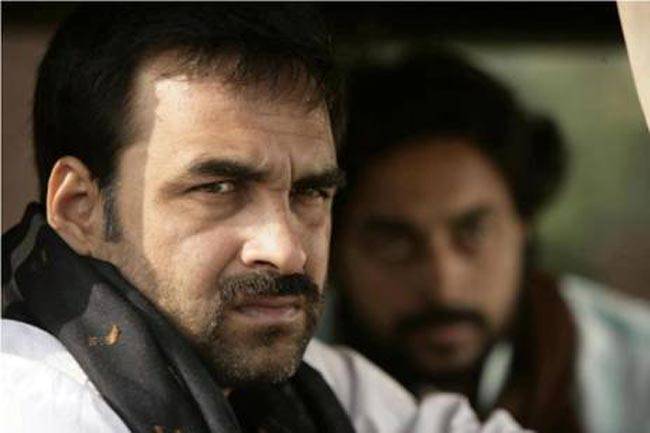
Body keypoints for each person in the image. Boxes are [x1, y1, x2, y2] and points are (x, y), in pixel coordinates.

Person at [0, 5, 523, 433]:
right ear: (80, 209)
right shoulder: (36, 405)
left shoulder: (314, 390)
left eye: (310, 192)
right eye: (218, 188)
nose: (287, 249)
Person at [330, 51, 650, 433]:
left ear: (523, 225)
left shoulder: (637, 368)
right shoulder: (286, 375)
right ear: (334, 247)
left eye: (473, 232)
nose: (443, 284)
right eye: (394, 243)